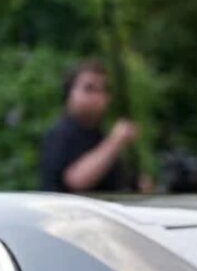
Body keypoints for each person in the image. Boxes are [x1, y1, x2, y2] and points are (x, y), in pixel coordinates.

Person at [40, 59, 138, 193]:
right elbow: (77, 180)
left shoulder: (99, 136)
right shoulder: (61, 134)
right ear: (69, 93)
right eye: (89, 88)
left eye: (104, 89)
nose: (98, 96)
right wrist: (115, 140)